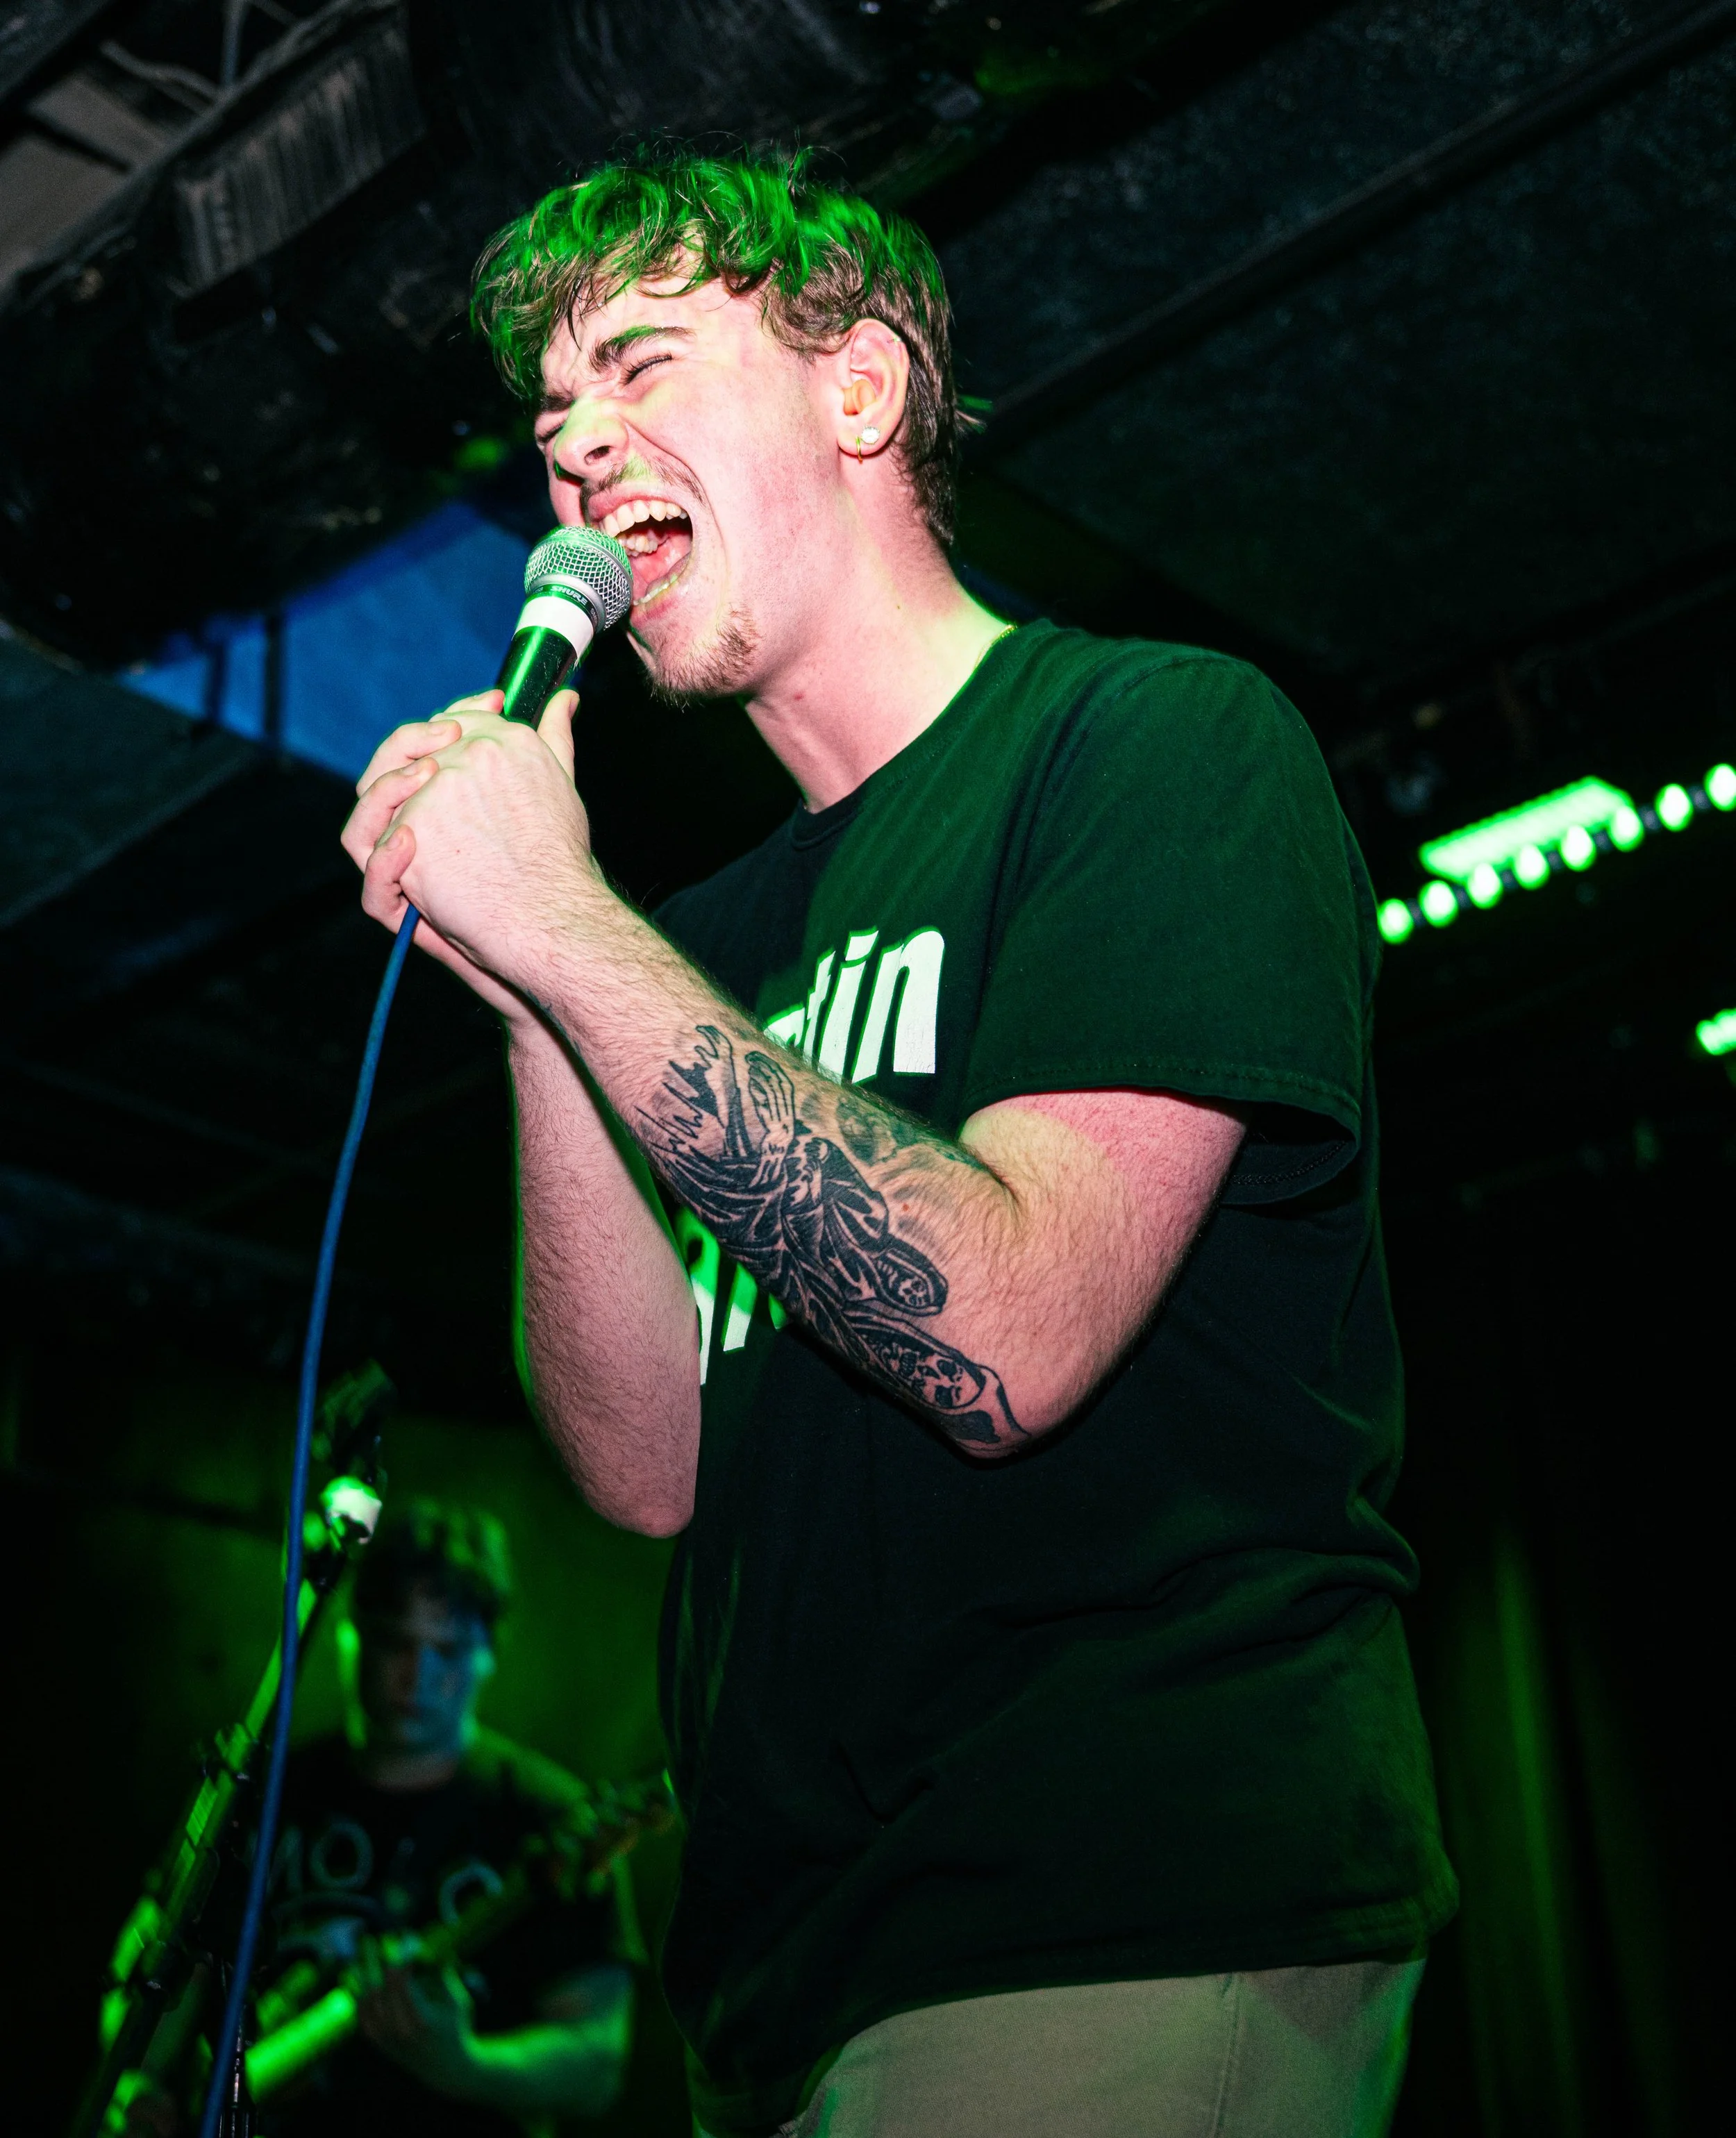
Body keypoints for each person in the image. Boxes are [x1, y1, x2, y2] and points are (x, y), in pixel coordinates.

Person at [340, 149, 1458, 2138]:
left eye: (643, 366)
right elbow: (646, 1466)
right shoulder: (703, 943)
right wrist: (527, 987)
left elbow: (1005, 1332)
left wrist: (576, 929)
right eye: (555, 414)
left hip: (1106, 1905)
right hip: (782, 1978)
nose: (576, 449)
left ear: (860, 389)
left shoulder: (1150, 743)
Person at [113, 1500, 637, 2137]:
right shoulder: (259, 1796)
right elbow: (152, 1975)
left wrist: (469, 2064)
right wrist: (141, 2081)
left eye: (448, 1649)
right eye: (395, 1640)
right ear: (349, 1632)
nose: (417, 1676)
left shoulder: (552, 1819)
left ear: (490, 1653)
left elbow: (597, 2062)